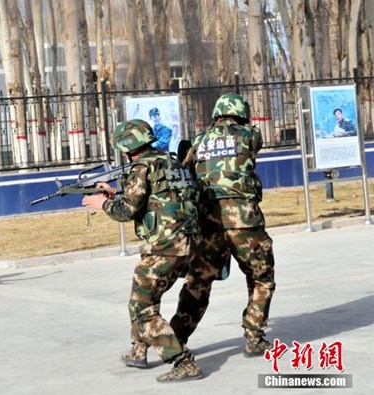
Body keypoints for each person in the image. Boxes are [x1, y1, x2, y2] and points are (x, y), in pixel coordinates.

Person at [82, 119, 203, 382]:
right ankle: (139, 350)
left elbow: (127, 210)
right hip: (188, 244)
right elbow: (157, 197)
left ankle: (182, 362)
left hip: (164, 247)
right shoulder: (170, 162)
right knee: (148, 295)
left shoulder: (141, 167)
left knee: (141, 306)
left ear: (127, 147)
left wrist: (102, 203)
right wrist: (116, 195)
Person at [170, 93, 276, 358]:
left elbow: (187, 168)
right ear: (242, 114)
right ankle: (254, 337)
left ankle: (175, 339)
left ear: (216, 114)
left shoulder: (199, 140)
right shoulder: (251, 134)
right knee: (261, 277)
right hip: (245, 222)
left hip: (208, 224)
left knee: (198, 281)